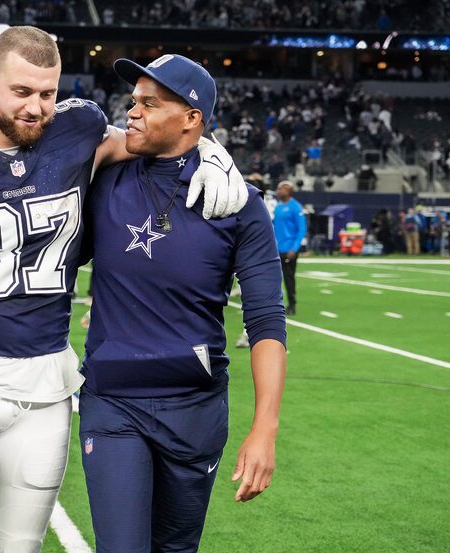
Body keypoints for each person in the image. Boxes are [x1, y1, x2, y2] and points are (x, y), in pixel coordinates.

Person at [0, 26, 246, 553]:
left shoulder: (77, 131)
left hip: (48, 387)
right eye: (22, 91)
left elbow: (154, 141)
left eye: (47, 93)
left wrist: (211, 150)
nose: (36, 107)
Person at [78, 54, 286, 553]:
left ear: (192, 118)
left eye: (150, 103)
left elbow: (266, 321)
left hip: (194, 408)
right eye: (133, 101)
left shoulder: (239, 203)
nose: (132, 111)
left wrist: (265, 429)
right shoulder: (104, 177)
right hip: (113, 403)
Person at [273, 180, 306, 315]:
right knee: (275, 278)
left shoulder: (296, 207)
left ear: (288, 190)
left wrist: (295, 247)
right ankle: (276, 304)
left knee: (288, 277)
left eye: (282, 189)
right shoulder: (278, 207)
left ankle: (292, 304)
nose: (279, 191)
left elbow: (301, 229)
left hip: (289, 248)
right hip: (277, 248)